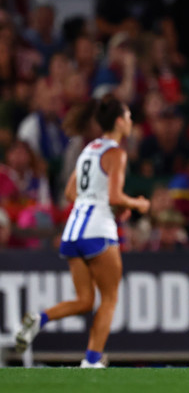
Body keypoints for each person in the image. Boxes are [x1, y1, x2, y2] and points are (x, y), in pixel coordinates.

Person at [15, 94, 150, 368]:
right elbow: (114, 196)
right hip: (98, 231)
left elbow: (69, 192)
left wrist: (95, 202)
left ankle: (39, 318)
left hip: (73, 231)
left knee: (85, 300)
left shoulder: (89, 149)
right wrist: (137, 203)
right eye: (128, 116)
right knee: (110, 298)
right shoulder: (116, 153)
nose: (131, 121)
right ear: (119, 121)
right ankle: (92, 361)